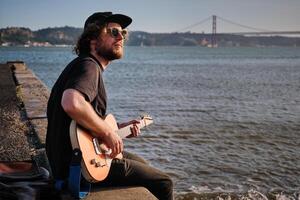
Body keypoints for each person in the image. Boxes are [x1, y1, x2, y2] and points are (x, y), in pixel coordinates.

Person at [46, 12, 173, 200]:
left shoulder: (81, 65)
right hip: (78, 167)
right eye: (113, 32)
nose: (121, 37)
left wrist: (117, 129)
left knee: (141, 163)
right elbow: (72, 102)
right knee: (163, 182)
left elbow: (78, 123)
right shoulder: (89, 66)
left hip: (67, 161)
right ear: (92, 39)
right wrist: (107, 133)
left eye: (123, 33)